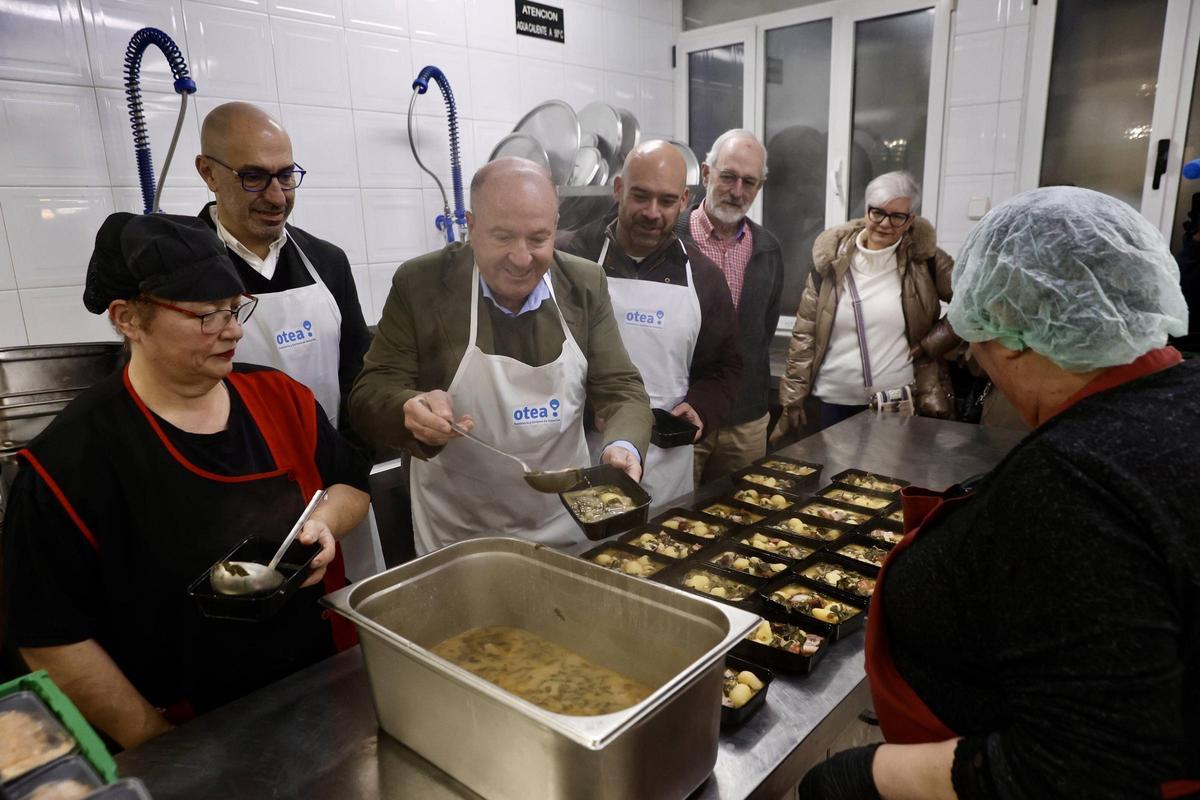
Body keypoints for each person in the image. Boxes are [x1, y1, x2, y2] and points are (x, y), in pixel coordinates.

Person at [799, 187, 1199, 800]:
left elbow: (1076, 770)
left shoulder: (1076, 480)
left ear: (1011, 331)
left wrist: (864, 777)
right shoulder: (1183, 395)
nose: (979, 356)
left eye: (979, 331)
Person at [2, 213, 371, 750]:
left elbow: (351, 487)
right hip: (184, 724)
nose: (235, 330)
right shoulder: (71, 460)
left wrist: (322, 523)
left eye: (235, 308)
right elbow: (49, 638)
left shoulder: (280, 398)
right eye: (206, 316)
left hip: (318, 692)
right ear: (128, 319)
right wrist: (158, 741)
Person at [349, 158, 652, 555]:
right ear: (472, 227)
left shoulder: (583, 283)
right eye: (503, 237)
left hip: (566, 526)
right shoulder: (422, 284)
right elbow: (369, 392)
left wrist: (624, 446)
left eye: (538, 238)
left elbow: (621, 388)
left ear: (555, 226)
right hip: (460, 536)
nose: (522, 258)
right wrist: (408, 408)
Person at [556, 140, 742, 504]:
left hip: (666, 460)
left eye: (667, 200)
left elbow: (727, 366)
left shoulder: (703, 277)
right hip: (580, 450)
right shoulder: (571, 259)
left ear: (685, 200)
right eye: (640, 196)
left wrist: (702, 406)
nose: (652, 212)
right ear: (618, 189)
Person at [195, 102, 369, 430]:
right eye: (254, 177)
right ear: (208, 172)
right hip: (232, 475)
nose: (277, 197)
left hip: (330, 470)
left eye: (286, 175)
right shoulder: (182, 270)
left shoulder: (328, 262)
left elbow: (358, 377)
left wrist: (351, 464)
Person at [778, 171, 958, 432]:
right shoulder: (831, 260)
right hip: (834, 399)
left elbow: (975, 308)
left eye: (897, 216)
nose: (885, 223)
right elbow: (804, 332)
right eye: (877, 212)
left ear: (910, 220)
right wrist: (793, 398)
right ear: (866, 211)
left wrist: (928, 345)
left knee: (889, 472)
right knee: (833, 471)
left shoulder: (926, 260)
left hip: (896, 403)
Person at [676, 129, 785, 484]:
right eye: (728, 177)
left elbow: (760, 333)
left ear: (760, 186)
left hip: (746, 421)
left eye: (749, 182)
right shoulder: (671, 242)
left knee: (742, 517)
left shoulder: (768, 250)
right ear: (706, 174)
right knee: (673, 524)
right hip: (681, 415)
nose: (737, 191)